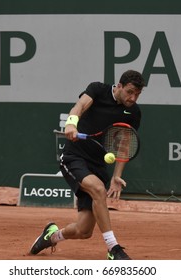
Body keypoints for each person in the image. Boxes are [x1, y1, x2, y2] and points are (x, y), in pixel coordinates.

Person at [29, 70, 145, 260]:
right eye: (130, 92)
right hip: (74, 157)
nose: (133, 98)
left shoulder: (133, 112)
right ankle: (113, 248)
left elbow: (125, 144)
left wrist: (116, 176)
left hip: (98, 165)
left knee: (84, 230)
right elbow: (80, 106)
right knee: (99, 190)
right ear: (120, 86)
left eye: (137, 94)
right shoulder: (98, 90)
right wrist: (71, 124)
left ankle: (52, 236)